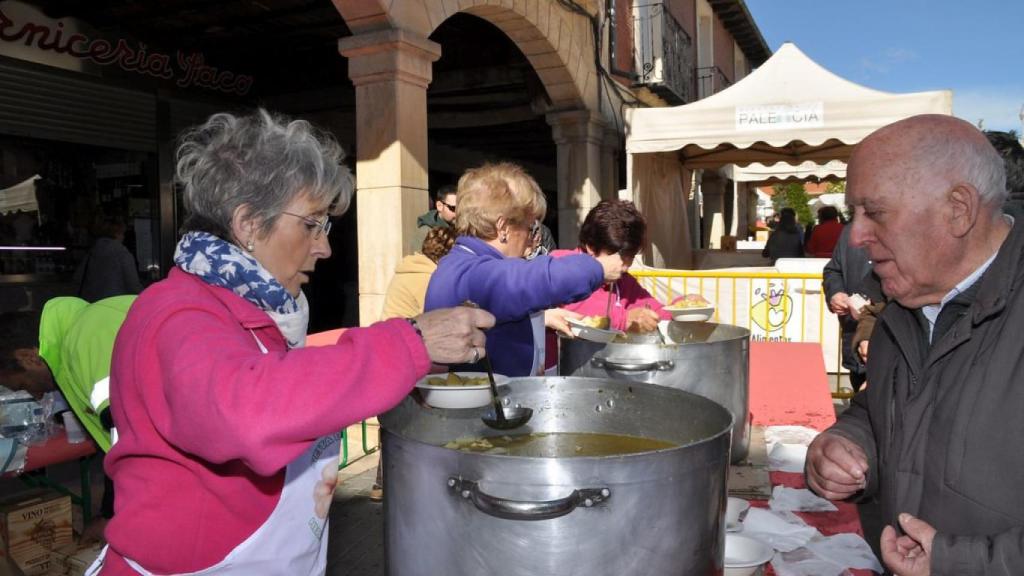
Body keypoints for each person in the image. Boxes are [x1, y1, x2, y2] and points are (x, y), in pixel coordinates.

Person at [90, 109, 494, 575]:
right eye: (311, 224)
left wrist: (411, 362)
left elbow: (290, 377)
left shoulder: (254, 313)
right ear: (248, 224)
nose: (324, 248)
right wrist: (410, 343)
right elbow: (244, 411)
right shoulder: (177, 311)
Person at [805, 114, 1024, 576]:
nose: (857, 236)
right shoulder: (904, 304)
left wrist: (957, 563)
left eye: (874, 212)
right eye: (852, 215)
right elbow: (882, 408)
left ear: (959, 209)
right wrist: (846, 443)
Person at [424, 161, 623, 377]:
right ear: (503, 228)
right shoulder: (474, 274)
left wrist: (543, 317)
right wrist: (599, 267)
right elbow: (537, 279)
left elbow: (497, 309)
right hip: (485, 407)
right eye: (530, 227)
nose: (531, 238)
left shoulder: (461, 264)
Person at [552, 199, 669, 333]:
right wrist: (624, 319)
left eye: (630, 258)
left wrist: (681, 310)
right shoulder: (560, 264)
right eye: (620, 257)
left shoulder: (623, 281)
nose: (624, 267)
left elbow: (656, 311)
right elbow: (578, 312)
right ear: (591, 247)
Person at [821, 222, 881, 392]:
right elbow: (833, 270)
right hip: (855, 341)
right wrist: (835, 293)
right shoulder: (850, 231)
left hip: (890, 347)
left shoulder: (908, 230)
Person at [380, 226, 457, 321]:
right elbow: (443, 315)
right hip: (401, 332)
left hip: (392, 330)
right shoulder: (427, 278)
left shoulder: (415, 267)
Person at [74, 215, 143, 302]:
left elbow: (78, 277)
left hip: (92, 304)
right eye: (123, 233)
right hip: (115, 304)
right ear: (117, 234)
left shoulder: (92, 253)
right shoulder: (123, 254)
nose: (124, 237)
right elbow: (133, 285)